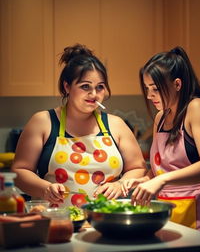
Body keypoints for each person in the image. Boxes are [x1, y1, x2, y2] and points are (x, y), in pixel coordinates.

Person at [11, 43, 146, 207]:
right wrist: (45, 188)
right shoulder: (43, 122)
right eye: (85, 86)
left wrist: (120, 184)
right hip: (56, 222)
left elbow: (137, 168)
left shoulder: (116, 125)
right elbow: (19, 172)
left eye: (100, 87)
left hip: (106, 221)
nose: (94, 94)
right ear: (67, 86)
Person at [121, 46, 200, 236]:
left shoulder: (197, 108)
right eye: (147, 89)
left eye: (156, 89)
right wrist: (144, 180)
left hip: (197, 213)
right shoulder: (161, 117)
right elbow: (161, 168)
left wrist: (161, 180)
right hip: (165, 212)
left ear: (177, 84)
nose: (150, 95)